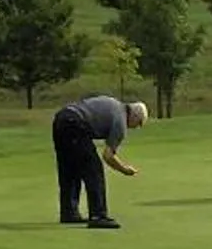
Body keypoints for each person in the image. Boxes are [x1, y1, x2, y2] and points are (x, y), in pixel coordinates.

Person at [53, 93, 146, 229]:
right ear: (134, 115)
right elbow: (108, 156)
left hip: (61, 119)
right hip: (75, 123)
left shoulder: (114, 104)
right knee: (94, 171)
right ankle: (98, 216)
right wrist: (124, 169)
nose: (136, 127)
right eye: (139, 123)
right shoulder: (120, 122)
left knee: (70, 169)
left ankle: (69, 212)